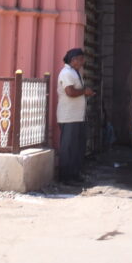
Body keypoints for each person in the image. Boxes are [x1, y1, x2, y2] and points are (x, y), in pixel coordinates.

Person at [56, 47, 94, 184]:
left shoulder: (74, 72)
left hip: (77, 116)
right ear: (74, 60)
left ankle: (75, 174)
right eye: (81, 59)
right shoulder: (67, 73)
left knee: (77, 147)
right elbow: (70, 92)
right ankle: (66, 177)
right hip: (69, 117)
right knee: (69, 148)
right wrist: (85, 92)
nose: (83, 62)